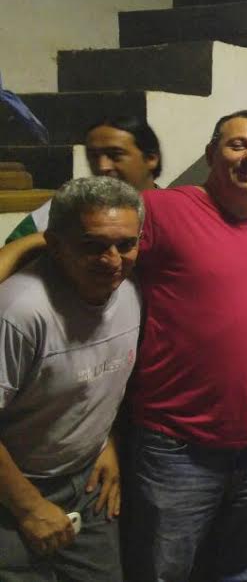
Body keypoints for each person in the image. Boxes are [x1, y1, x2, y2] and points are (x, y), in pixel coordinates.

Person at [125, 111, 247, 581]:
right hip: (177, 444)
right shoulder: (161, 209)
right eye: (238, 145)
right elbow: (75, 238)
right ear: (212, 153)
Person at [0, 177, 143, 581]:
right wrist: (29, 506)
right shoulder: (20, 311)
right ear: (56, 245)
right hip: (14, 488)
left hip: (87, 482)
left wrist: (106, 441)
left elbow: (96, 380)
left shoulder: (131, 292)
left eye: (126, 244)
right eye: (92, 246)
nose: (112, 260)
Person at [5, 116, 161, 244]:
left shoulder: (172, 210)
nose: (102, 166)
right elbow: (13, 254)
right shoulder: (64, 208)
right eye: (93, 156)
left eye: (115, 155)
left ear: (151, 159)